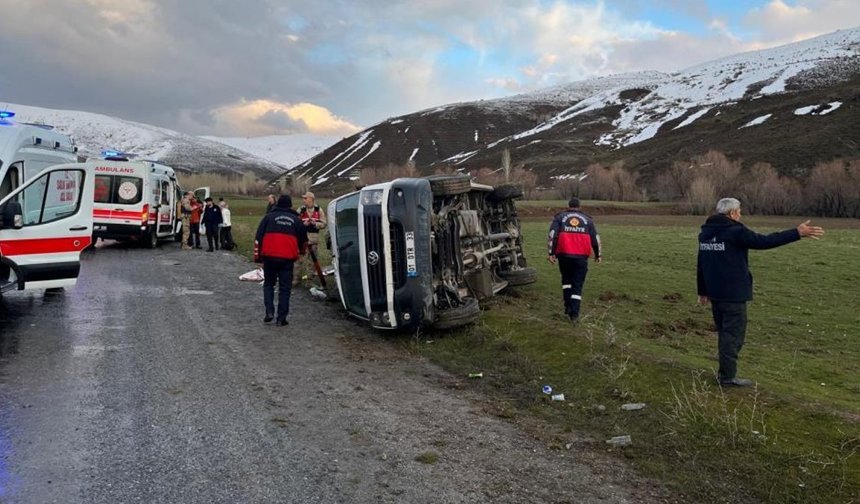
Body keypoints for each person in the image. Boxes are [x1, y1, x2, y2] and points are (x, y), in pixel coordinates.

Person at [697, 197, 824, 387]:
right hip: (733, 294)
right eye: (739, 211)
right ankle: (727, 377)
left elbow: (701, 263)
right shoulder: (735, 231)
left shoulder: (706, 233)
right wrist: (796, 233)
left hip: (715, 293)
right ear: (732, 213)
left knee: (725, 334)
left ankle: (726, 373)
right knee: (733, 337)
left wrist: (702, 291)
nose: (740, 214)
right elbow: (764, 241)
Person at [254, 194, 308, 326]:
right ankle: (281, 318)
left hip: (269, 257)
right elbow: (303, 240)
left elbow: (258, 238)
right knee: (285, 288)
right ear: (290, 205)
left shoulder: (268, 217)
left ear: (277, 204)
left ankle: (269, 312)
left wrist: (258, 257)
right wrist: (301, 252)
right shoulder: (296, 220)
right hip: (287, 259)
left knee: (269, 284)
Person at [547, 197, 602, 322]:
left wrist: (551, 253)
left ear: (568, 206)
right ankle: (574, 314)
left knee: (566, 281)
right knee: (577, 285)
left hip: (564, 256)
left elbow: (552, 235)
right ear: (579, 207)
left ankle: (567, 307)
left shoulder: (559, 218)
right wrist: (598, 255)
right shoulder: (588, 220)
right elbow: (595, 239)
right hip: (581, 258)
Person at [295, 191, 327, 286]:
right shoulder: (300, 209)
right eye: (303, 198)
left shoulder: (319, 210)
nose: (304, 200)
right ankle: (296, 279)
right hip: (301, 239)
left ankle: (309, 281)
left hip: (313, 239)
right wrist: (302, 224)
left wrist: (315, 224)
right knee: (298, 259)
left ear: (311, 199)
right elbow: (295, 222)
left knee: (312, 261)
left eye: (306, 198)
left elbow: (324, 224)